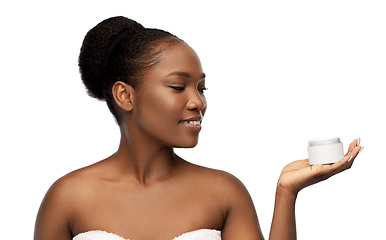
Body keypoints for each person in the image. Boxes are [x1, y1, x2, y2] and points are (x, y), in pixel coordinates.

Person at [34, 16, 364, 240]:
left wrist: (287, 192)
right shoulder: (67, 199)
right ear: (125, 95)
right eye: (179, 87)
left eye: (202, 88)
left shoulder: (223, 193)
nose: (198, 102)